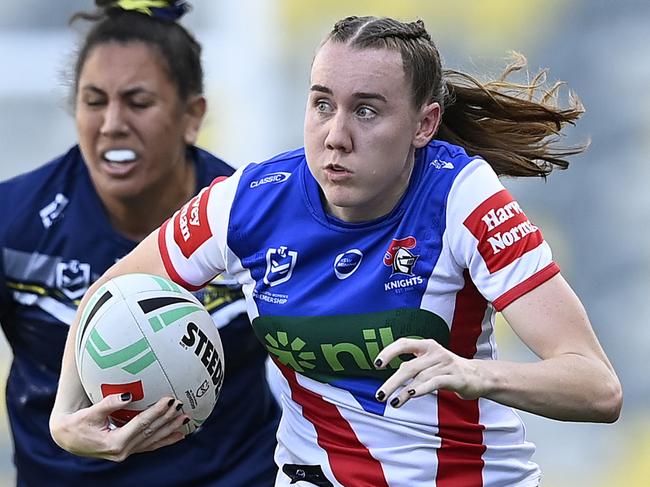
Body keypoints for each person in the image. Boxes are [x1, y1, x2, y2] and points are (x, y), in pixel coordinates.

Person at [50, 15, 622, 487]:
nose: (335, 135)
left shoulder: (462, 198)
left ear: (424, 124)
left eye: (366, 110)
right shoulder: (249, 202)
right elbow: (110, 292)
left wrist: (471, 373)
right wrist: (64, 420)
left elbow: (596, 387)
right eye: (323, 104)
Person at [0, 1, 279, 485]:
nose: (111, 123)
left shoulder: (252, 222)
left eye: (138, 101)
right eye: (94, 101)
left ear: (192, 116)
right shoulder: (14, 224)